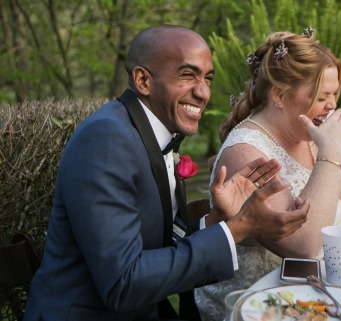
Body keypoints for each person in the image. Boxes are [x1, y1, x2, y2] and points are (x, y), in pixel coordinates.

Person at [23, 25, 310, 321]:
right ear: (143, 80)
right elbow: (123, 283)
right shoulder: (107, 139)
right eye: (188, 75)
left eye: (207, 78)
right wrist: (241, 228)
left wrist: (220, 219)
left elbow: (159, 246)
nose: (203, 92)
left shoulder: (150, 133)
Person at [195, 29, 341, 320]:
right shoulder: (245, 152)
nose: (332, 106)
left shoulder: (321, 129)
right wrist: (329, 156)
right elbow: (303, 246)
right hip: (267, 305)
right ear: (279, 94)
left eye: (335, 94)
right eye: (320, 96)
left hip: (337, 291)